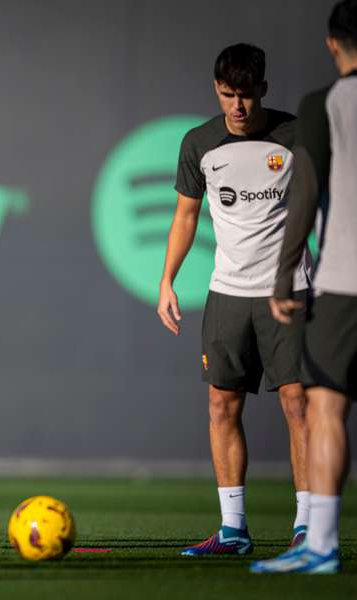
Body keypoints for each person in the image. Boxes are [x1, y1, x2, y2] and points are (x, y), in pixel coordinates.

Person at [156, 43, 311, 555]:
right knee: (222, 404)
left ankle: (308, 528)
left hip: (289, 293)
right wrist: (167, 281)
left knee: (299, 405)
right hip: (227, 294)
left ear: (263, 89)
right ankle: (233, 529)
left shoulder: (296, 136)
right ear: (217, 92)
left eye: (245, 95)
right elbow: (184, 217)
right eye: (227, 95)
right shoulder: (198, 142)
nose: (237, 106)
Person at [251, 0, 357, 575]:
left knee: (327, 408)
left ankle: (320, 546)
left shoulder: (325, 103)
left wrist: (284, 273)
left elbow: (305, 194)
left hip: (345, 282)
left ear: (331, 43)